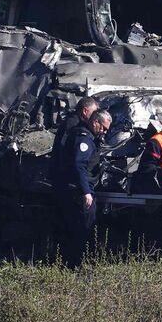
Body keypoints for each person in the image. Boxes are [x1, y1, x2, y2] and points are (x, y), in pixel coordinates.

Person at [54, 109, 111, 267]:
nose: (105, 132)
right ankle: (77, 265)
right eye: (104, 128)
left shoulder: (88, 137)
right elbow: (79, 165)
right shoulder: (84, 139)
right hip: (79, 192)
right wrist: (86, 192)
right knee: (83, 230)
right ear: (95, 123)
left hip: (77, 190)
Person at [50, 96, 100, 181]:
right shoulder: (72, 125)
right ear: (85, 111)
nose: (95, 116)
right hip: (65, 178)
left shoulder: (77, 123)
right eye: (93, 112)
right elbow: (63, 150)